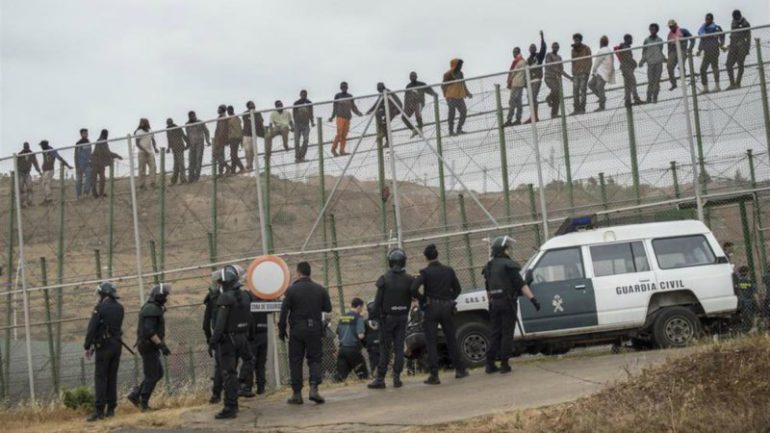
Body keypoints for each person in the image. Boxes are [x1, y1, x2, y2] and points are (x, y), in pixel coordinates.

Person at [410, 244, 468, 385]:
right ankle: (459, 370)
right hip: (447, 307)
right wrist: (449, 299)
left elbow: (413, 289)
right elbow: (458, 289)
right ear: (437, 255)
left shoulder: (425, 273)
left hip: (431, 307)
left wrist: (423, 300)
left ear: (426, 257)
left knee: (431, 341)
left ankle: (434, 375)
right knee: (451, 338)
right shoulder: (448, 270)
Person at [482, 236, 541, 374]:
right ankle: (504, 364)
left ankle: (490, 364)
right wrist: (533, 300)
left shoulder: (488, 266)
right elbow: (521, 285)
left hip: (494, 303)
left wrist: (490, 302)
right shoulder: (509, 265)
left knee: (495, 333)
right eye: (507, 248)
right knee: (507, 333)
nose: (509, 250)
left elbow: (488, 288)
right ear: (503, 250)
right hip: (508, 303)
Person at [278, 261, 332, 405]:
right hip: (314, 328)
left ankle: (297, 394)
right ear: (309, 273)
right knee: (314, 359)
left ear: (298, 273)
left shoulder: (291, 290)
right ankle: (314, 389)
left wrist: (282, 329)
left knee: (296, 360)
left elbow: (284, 311)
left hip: (297, 330)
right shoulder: (319, 289)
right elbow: (328, 308)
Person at [209, 265, 252, 420]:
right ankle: (242, 387)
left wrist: (213, 341)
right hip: (242, 337)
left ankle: (230, 407)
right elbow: (249, 319)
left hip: (228, 340)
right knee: (248, 361)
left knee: (228, 374)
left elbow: (220, 323)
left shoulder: (225, 297)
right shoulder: (245, 296)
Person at [368, 248, 414, 389]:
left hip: (387, 319)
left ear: (390, 262)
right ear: (403, 262)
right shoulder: (409, 279)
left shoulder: (384, 279)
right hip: (402, 317)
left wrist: (372, 316)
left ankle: (380, 379)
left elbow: (377, 301)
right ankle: (396, 378)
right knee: (399, 347)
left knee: (385, 348)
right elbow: (415, 294)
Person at [83, 282, 125, 422]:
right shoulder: (120, 308)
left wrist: (87, 346)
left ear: (102, 294)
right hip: (117, 346)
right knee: (112, 377)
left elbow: (92, 328)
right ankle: (111, 409)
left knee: (101, 378)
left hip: (104, 347)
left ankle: (99, 411)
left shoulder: (100, 308)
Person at [127, 283, 172, 412]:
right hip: (148, 346)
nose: (166, 298)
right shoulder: (151, 308)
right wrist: (161, 345)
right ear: (159, 295)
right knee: (152, 375)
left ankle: (136, 395)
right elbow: (149, 330)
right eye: (165, 295)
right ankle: (143, 403)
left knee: (157, 373)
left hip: (150, 346)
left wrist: (160, 345)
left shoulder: (153, 307)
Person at [366, 82, 415, 148]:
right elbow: (379, 104)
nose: (379, 90)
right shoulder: (383, 93)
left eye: (380, 89)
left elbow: (378, 103)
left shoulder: (386, 92)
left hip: (394, 109)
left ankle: (387, 139)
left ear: (383, 87)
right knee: (378, 114)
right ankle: (382, 131)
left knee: (385, 123)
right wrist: (371, 111)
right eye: (378, 89)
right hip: (389, 108)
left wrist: (370, 110)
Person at [239, 290, 269, 397]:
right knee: (261, 363)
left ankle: (247, 387)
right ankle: (261, 388)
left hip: (252, 336)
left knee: (250, 361)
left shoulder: (248, 302)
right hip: (264, 334)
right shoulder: (266, 300)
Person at [202, 271, 224, 404]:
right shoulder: (235, 295)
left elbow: (205, 324)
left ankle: (216, 395)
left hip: (217, 336)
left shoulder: (211, 297)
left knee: (220, 366)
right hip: (235, 334)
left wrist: (210, 340)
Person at [334, 298, 368, 382]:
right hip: (353, 349)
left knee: (340, 377)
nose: (362, 310)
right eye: (362, 307)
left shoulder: (342, 317)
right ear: (359, 306)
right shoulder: (358, 317)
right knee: (363, 376)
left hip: (342, 350)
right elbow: (360, 335)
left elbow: (338, 333)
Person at [329, 82, 363, 157]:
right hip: (340, 117)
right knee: (339, 134)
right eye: (343, 87)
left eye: (345, 87)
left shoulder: (350, 96)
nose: (344, 88)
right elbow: (334, 107)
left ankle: (342, 150)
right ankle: (333, 149)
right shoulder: (337, 96)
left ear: (347, 88)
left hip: (348, 117)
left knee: (344, 135)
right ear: (341, 88)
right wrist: (332, 117)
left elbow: (353, 107)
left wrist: (358, 113)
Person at [442, 59, 473, 135]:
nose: (460, 66)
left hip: (459, 96)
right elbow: (443, 86)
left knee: (464, 111)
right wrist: (446, 96)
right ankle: (451, 131)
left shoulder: (461, 74)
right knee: (451, 114)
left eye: (461, 65)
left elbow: (463, 84)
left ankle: (459, 129)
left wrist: (467, 93)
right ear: (454, 65)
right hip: (451, 97)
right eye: (459, 65)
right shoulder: (448, 74)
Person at [697, 13, 725, 94]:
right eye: (706, 19)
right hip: (706, 51)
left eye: (708, 19)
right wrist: (699, 50)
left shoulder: (716, 27)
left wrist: (721, 44)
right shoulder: (703, 29)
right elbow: (702, 40)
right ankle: (705, 88)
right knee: (702, 69)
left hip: (714, 50)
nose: (707, 20)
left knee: (714, 68)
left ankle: (717, 86)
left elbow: (722, 35)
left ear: (712, 19)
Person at [90, 129, 122, 198]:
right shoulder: (102, 141)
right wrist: (117, 155)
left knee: (100, 179)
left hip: (99, 163)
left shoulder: (100, 141)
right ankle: (97, 194)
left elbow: (106, 153)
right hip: (97, 163)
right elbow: (107, 152)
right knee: (97, 179)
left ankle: (98, 194)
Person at [404, 72, 438, 137]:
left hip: (419, 102)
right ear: (409, 78)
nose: (412, 77)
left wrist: (434, 93)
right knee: (404, 117)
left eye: (414, 76)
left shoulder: (421, 84)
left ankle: (420, 128)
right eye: (411, 76)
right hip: (411, 104)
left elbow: (429, 90)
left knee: (417, 113)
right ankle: (413, 129)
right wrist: (406, 107)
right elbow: (406, 98)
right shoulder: (408, 86)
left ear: (416, 77)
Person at [39, 140, 72, 205]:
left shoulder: (51, 150)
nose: (41, 147)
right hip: (45, 169)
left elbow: (59, 158)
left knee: (46, 183)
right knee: (43, 184)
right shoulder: (44, 151)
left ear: (45, 145)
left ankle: (49, 199)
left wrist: (67, 165)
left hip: (49, 169)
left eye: (42, 145)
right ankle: (46, 199)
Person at [524, 31, 547, 123]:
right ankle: (533, 116)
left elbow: (544, 48)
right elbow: (526, 72)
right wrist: (525, 83)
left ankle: (535, 117)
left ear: (535, 49)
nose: (532, 49)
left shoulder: (539, 56)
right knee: (530, 98)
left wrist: (542, 37)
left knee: (533, 97)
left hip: (537, 80)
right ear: (529, 50)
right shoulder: (528, 60)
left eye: (534, 47)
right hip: (530, 82)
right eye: (531, 48)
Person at [639, 24, 666, 104]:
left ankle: (655, 97)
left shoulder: (660, 40)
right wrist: (642, 61)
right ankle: (648, 97)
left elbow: (660, 50)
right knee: (650, 81)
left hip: (658, 62)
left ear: (656, 30)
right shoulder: (646, 40)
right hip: (650, 63)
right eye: (651, 29)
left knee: (657, 81)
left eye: (654, 29)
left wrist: (663, 58)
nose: (652, 31)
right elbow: (644, 52)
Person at [614, 35, 644, 107]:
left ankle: (627, 101)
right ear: (627, 39)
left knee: (627, 85)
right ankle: (636, 99)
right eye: (631, 39)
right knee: (633, 82)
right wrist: (635, 63)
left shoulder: (624, 47)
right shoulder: (625, 47)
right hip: (626, 68)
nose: (631, 41)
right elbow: (628, 58)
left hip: (624, 68)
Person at [666, 19, 695, 91]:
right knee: (669, 66)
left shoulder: (683, 31)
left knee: (681, 65)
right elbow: (668, 46)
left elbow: (692, 39)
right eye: (670, 27)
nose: (671, 28)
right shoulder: (669, 35)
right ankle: (673, 83)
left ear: (676, 25)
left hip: (682, 50)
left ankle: (683, 81)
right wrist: (669, 55)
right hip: (673, 52)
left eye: (672, 26)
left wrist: (690, 48)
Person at [726, 10, 751, 90]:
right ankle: (732, 83)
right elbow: (732, 34)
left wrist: (747, 48)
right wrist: (729, 45)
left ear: (739, 15)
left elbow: (748, 37)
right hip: (733, 45)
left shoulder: (745, 23)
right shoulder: (733, 22)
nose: (735, 18)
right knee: (728, 64)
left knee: (740, 64)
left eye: (736, 16)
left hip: (742, 45)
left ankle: (738, 83)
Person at [544, 42, 571, 118]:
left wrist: (569, 78)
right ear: (552, 47)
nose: (556, 48)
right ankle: (548, 98)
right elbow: (549, 66)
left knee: (557, 96)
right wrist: (557, 71)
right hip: (549, 77)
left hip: (556, 79)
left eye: (557, 47)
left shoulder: (559, 57)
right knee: (555, 90)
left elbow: (561, 70)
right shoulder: (548, 55)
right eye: (554, 47)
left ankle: (554, 113)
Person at [588, 36, 615, 111]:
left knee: (599, 87)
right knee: (592, 84)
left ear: (601, 43)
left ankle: (602, 106)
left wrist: (593, 71)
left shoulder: (602, 51)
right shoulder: (609, 50)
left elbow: (596, 62)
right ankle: (602, 98)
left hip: (601, 72)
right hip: (603, 72)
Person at [185, 110, 211, 182]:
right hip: (191, 144)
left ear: (195, 115)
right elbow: (187, 135)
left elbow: (206, 131)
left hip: (200, 143)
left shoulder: (200, 122)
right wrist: (187, 144)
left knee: (198, 160)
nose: (192, 117)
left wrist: (207, 140)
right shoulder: (187, 124)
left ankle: (196, 177)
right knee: (191, 161)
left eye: (193, 115)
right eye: (190, 116)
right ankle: (190, 178)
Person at [570, 33, 592, 115]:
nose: (576, 41)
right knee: (575, 91)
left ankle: (582, 108)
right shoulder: (573, 50)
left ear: (580, 40)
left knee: (583, 90)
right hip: (576, 73)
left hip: (583, 73)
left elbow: (589, 60)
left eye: (577, 40)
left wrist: (587, 72)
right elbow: (573, 62)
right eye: (575, 40)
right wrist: (573, 72)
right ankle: (576, 109)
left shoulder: (586, 48)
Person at [504, 47, 526, 127]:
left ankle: (510, 119)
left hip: (516, 83)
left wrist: (509, 81)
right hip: (519, 83)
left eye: (514, 52)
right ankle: (517, 119)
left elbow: (513, 72)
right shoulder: (522, 61)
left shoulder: (519, 61)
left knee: (512, 101)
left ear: (517, 52)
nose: (513, 54)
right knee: (518, 101)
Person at [134, 118, 158, 190]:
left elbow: (153, 140)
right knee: (142, 169)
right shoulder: (138, 132)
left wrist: (155, 148)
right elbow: (137, 143)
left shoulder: (150, 131)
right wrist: (144, 150)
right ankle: (142, 185)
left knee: (153, 167)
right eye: (143, 123)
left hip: (150, 152)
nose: (144, 124)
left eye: (145, 122)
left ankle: (153, 183)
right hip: (142, 152)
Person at [241, 101, 264, 171]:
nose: (253, 106)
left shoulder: (258, 113)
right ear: (248, 106)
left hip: (253, 135)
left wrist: (262, 132)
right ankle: (248, 164)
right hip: (246, 134)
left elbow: (260, 122)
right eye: (251, 105)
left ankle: (250, 165)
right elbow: (247, 121)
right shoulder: (245, 113)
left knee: (252, 151)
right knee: (247, 151)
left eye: (253, 104)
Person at [293, 90, 315, 163]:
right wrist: (296, 122)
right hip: (297, 124)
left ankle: (302, 156)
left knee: (306, 140)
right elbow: (294, 114)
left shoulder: (309, 103)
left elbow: (311, 113)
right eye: (302, 95)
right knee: (296, 141)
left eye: (305, 95)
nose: (304, 96)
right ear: (300, 95)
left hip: (306, 124)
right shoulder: (296, 103)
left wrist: (312, 121)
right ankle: (297, 157)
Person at [17, 142, 41, 207]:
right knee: (20, 189)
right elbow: (16, 164)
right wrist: (16, 173)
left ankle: (29, 202)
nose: (26, 148)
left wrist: (39, 171)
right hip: (20, 173)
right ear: (23, 147)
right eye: (25, 147)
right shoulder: (19, 154)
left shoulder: (32, 154)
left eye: (27, 147)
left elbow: (35, 163)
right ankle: (21, 203)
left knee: (29, 187)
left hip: (27, 173)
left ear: (29, 147)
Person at [165, 118, 188, 185]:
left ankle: (182, 179)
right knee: (176, 165)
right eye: (168, 123)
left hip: (180, 147)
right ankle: (174, 180)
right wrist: (169, 148)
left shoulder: (177, 128)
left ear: (172, 122)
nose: (169, 124)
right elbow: (169, 139)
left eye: (170, 123)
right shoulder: (168, 129)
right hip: (174, 148)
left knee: (181, 164)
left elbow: (183, 135)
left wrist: (187, 143)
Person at [735, 265, 758, 332]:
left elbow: (736, 291)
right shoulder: (750, 281)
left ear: (739, 272)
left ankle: (744, 329)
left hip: (740, 302)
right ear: (747, 272)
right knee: (751, 316)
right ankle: (751, 328)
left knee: (744, 317)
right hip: (749, 302)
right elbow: (754, 293)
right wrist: (758, 302)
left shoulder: (737, 281)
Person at [226, 105, 245, 174]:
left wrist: (239, 138)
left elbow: (238, 129)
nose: (228, 112)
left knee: (233, 155)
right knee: (233, 154)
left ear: (231, 110)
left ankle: (241, 167)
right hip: (233, 138)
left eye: (228, 110)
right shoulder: (232, 118)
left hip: (235, 138)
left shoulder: (234, 119)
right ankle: (233, 170)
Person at [74, 128, 92, 199]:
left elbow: (90, 153)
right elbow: (76, 155)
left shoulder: (89, 142)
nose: (86, 134)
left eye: (86, 133)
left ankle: (86, 192)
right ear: (81, 134)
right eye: (84, 133)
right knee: (79, 180)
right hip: (80, 164)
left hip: (87, 164)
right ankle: (78, 195)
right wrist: (77, 165)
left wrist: (91, 161)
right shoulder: (78, 143)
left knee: (89, 177)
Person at [364, 301, 381, 373]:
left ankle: (373, 371)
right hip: (381, 342)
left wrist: (366, 344)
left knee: (372, 359)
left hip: (371, 344)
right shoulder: (382, 320)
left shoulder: (365, 321)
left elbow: (363, 335)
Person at [213, 105, 229, 176]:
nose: (217, 110)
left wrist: (218, 139)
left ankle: (227, 167)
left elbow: (222, 130)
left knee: (217, 154)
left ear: (222, 110)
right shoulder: (220, 117)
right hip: (220, 139)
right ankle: (221, 172)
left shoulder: (223, 118)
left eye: (219, 109)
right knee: (220, 155)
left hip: (220, 139)